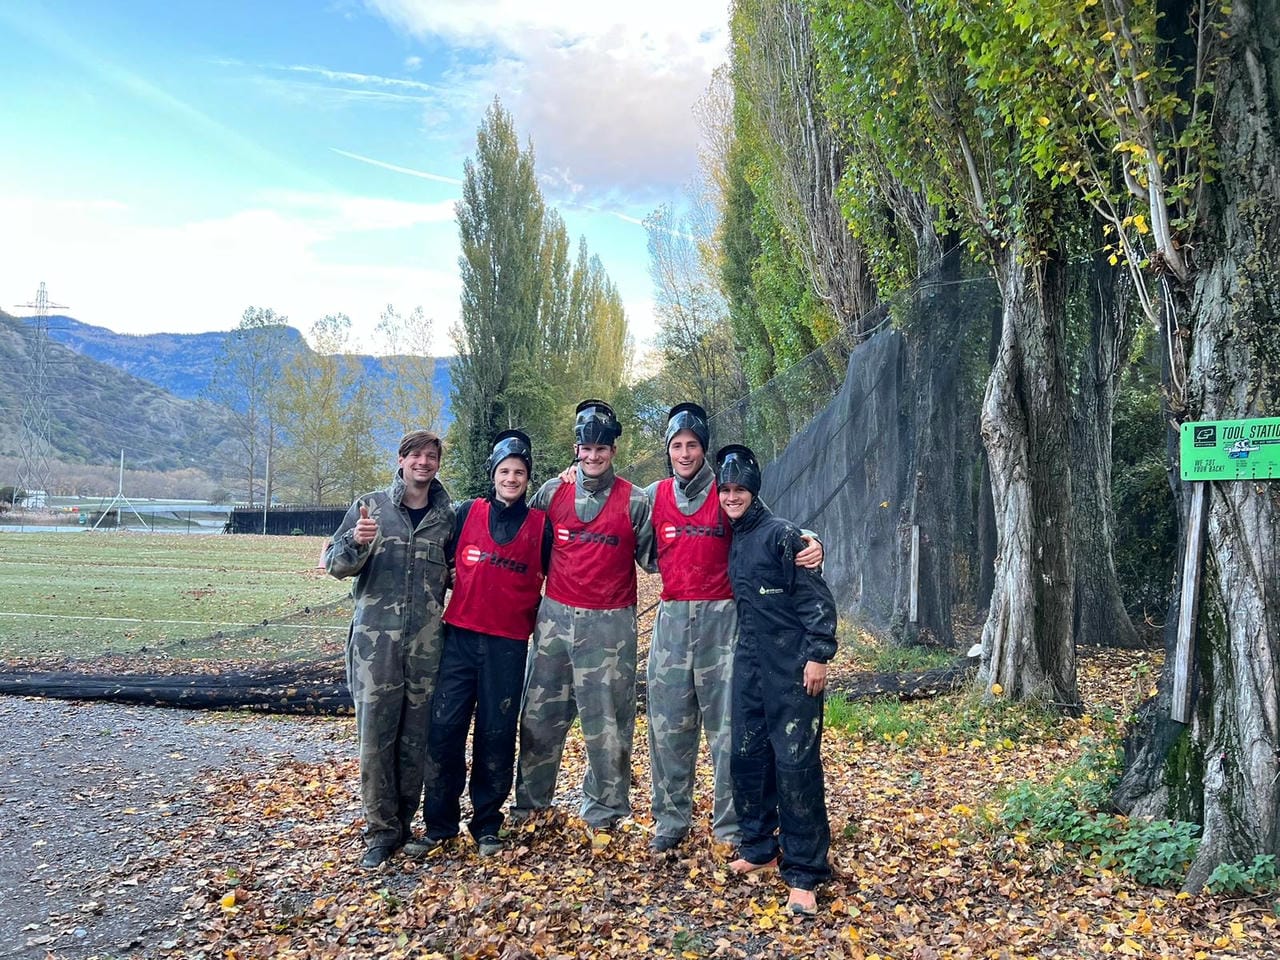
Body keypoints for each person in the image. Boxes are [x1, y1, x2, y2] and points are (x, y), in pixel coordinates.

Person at [644, 403, 824, 854]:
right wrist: (572, 475)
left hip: (724, 620)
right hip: (672, 619)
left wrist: (812, 541)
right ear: (668, 450)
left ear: (704, 449)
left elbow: (771, 528)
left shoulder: (727, 489)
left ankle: (732, 823)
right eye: (677, 445)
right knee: (667, 726)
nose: (685, 453)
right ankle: (670, 819)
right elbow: (613, 514)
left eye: (693, 445)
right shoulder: (653, 496)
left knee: (728, 729)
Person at [512, 399, 654, 835]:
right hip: (554, 619)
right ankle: (531, 807)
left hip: (610, 625)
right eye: (586, 448)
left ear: (613, 451)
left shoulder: (635, 500)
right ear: (576, 449)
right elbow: (521, 539)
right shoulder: (552, 493)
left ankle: (605, 811)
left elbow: (663, 557)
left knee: (608, 722)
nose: (593, 456)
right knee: (539, 717)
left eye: (601, 449)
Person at [715, 443, 837, 917]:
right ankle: (760, 847)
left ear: (754, 490)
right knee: (747, 758)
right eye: (725, 489)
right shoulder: (735, 535)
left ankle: (805, 872)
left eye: (739, 489)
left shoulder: (783, 536)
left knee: (795, 766)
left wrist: (818, 655)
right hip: (749, 661)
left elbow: (816, 599)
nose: (731, 496)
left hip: (793, 668)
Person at [416, 430, 551, 858]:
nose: (511, 478)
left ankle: (487, 824)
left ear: (528, 478)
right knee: (443, 732)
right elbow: (434, 557)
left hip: (507, 646)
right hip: (459, 638)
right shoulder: (466, 513)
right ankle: (439, 825)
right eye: (504, 471)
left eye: (519, 472)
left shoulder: (541, 526)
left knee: (496, 734)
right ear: (493, 474)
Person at [325, 430, 453, 870]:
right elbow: (335, 565)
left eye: (431, 456)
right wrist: (356, 541)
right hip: (374, 647)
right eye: (415, 455)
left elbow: (457, 572)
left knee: (415, 739)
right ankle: (380, 832)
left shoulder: (446, 517)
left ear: (438, 463)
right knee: (376, 738)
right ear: (400, 460)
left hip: (425, 648)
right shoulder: (371, 507)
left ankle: (403, 822)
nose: (423, 462)